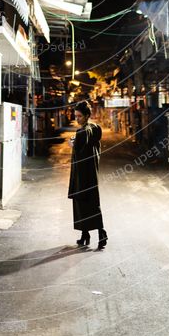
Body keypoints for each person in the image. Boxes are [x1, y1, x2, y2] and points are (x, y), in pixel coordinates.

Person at [68, 100, 108, 249]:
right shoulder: (95, 128)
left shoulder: (83, 131)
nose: (76, 119)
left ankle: (99, 233)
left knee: (83, 203)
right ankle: (88, 234)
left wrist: (72, 143)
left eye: (79, 116)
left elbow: (78, 142)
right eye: (76, 116)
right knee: (90, 203)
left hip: (82, 175)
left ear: (86, 115)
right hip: (91, 173)